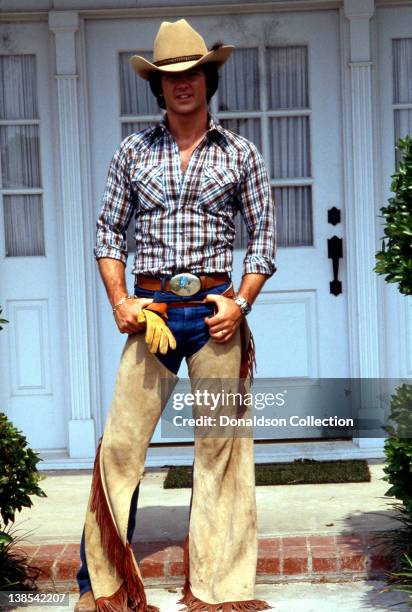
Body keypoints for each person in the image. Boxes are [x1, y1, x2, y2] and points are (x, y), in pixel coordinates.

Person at [74, 17, 276, 612]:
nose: (182, 84)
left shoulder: (241, 152)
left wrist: (239, 304)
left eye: (192, 73)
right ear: (157, 86)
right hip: (154, 315)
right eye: (170, 76)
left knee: (222, 450)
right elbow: (108, 232)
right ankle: (103, 590)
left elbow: (263, 238)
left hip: (216, 315)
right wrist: (119, 300)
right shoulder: (132, 152)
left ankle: (220, 590)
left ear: (208, 78)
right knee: (120, 448)